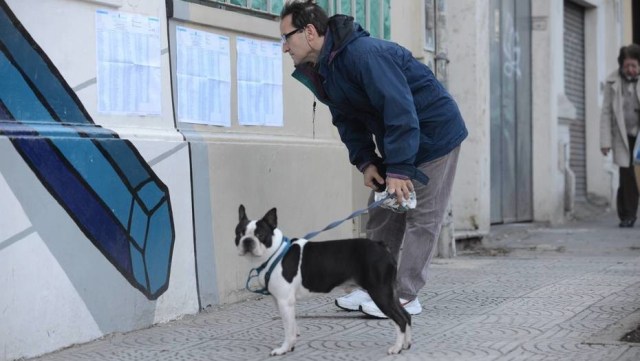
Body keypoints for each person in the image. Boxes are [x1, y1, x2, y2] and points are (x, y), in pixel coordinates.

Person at [279, 0, 467, 318]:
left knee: (421, 216)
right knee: (383, 212)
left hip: (434, 134)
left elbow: (400, 109)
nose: (285, 47)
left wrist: (400, 168)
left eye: (287, 37)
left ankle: (405, 296)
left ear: (309, 32)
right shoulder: (325, 70)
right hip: (403, 137)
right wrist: (367, 162)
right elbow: (347, 120)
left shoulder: (364, 55)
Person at [601, 44, 640, 228]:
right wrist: (605, 141)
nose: (630, 70)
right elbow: (606, 113)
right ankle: (628, 215)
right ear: (621, 66)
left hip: (639, 135)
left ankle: (628, 211)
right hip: (622, 135)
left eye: (634, 66)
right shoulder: (612, 82)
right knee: (626, 174)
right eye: (627, 66)